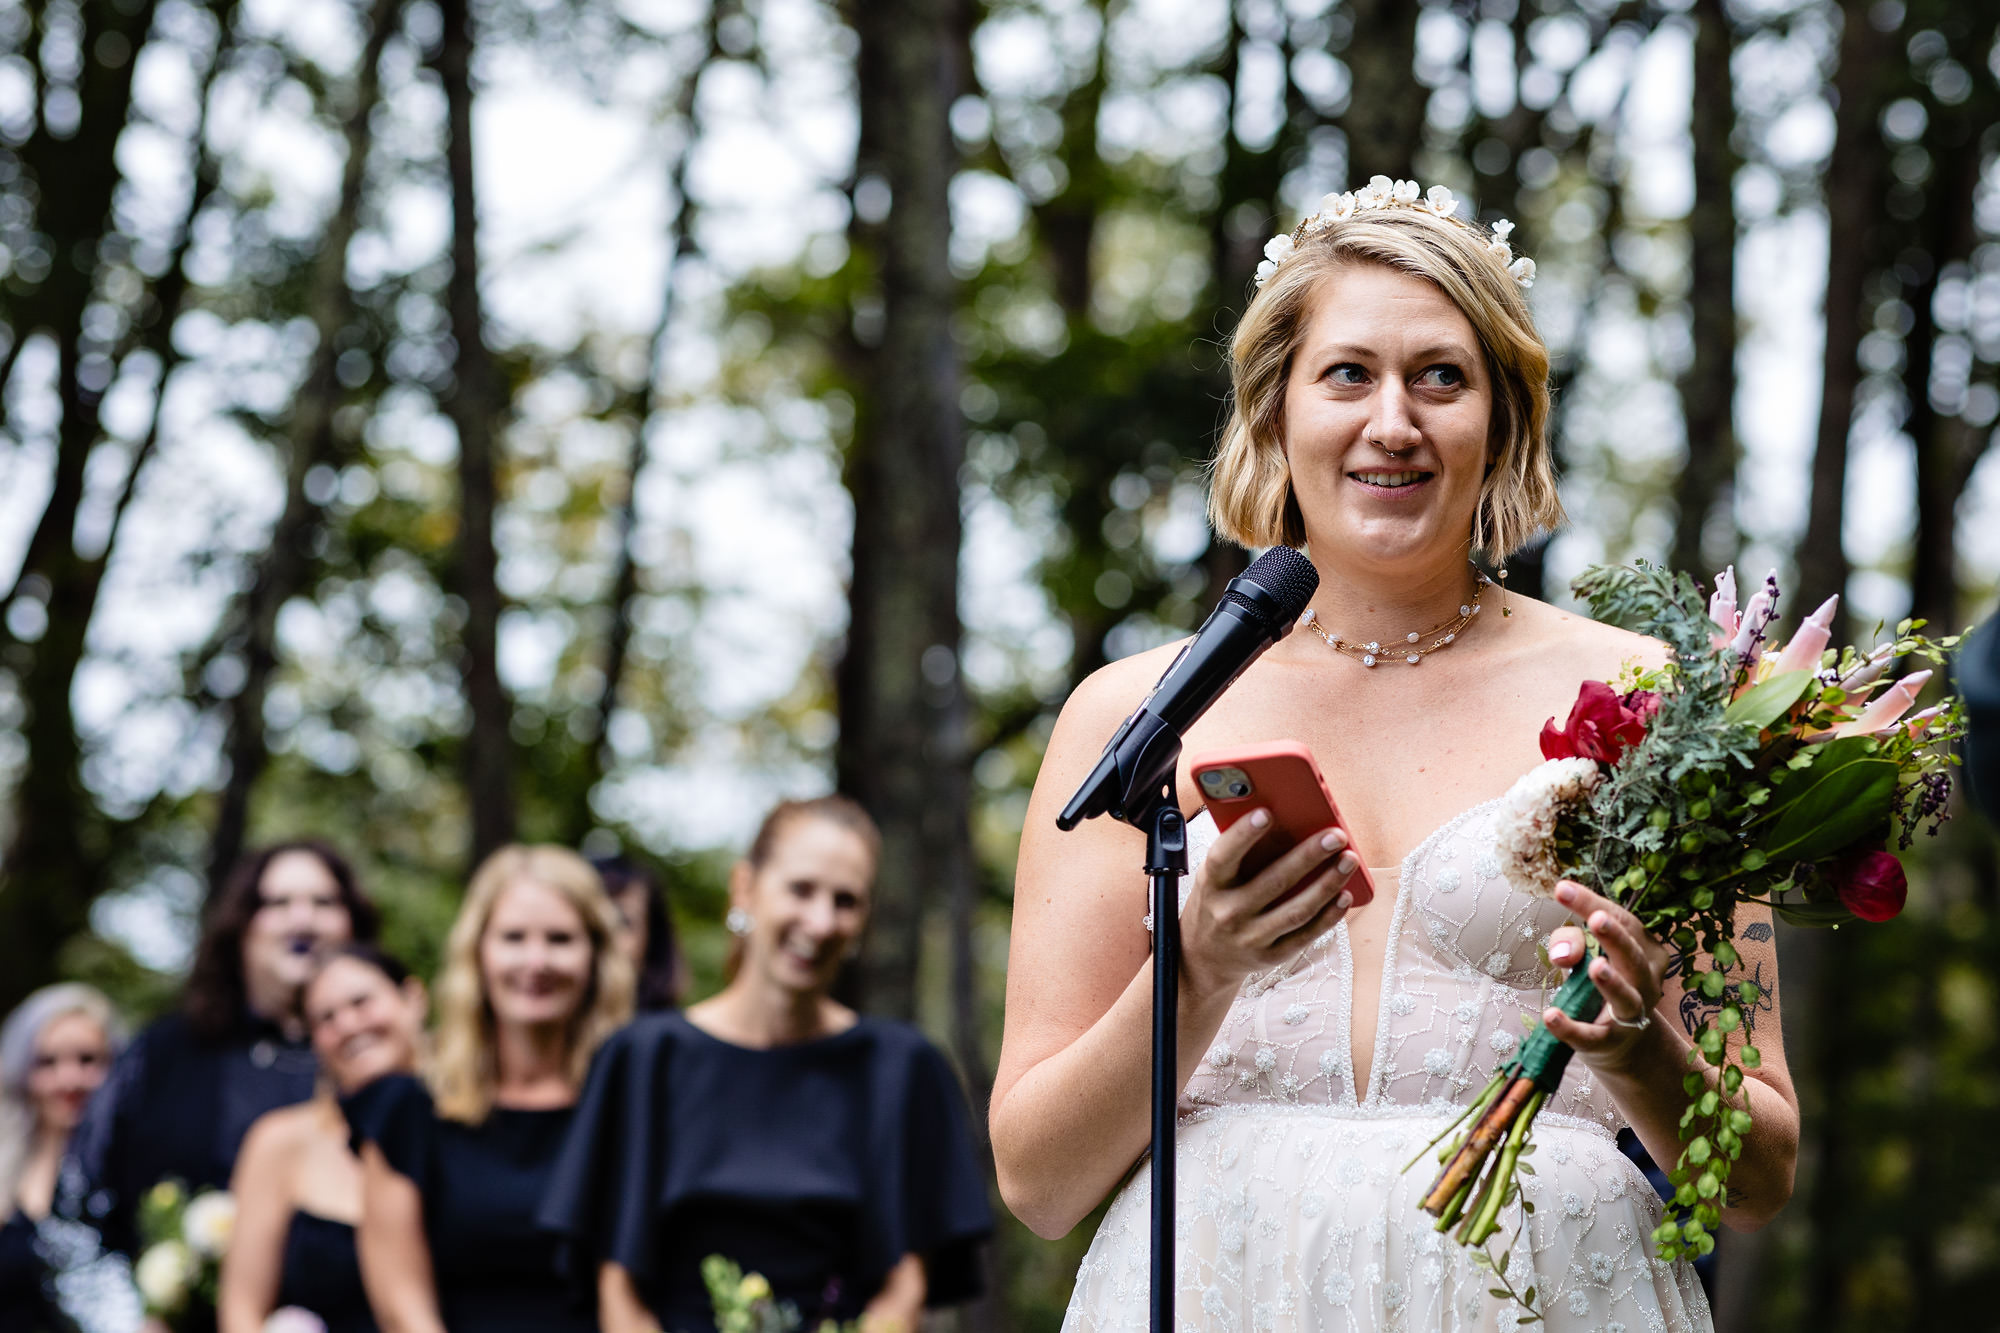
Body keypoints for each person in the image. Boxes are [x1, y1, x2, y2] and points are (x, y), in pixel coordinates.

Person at [990, 180, 1799, 1333]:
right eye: (1346, 374)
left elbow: (1757, 1177)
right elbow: (1037, 1182)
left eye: (1439, 377)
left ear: (1501, 418)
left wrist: (1631, 1047)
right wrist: (1198, 969)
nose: (1392, 422)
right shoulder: (1135, 714)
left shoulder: (1653, 703)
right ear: (1275, 411)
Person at [541, 797, 993, 1333]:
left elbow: (905, 1287)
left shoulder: (903, 1068)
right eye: (801, 890)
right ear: (745, 888)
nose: (821, 921)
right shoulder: (643, 1060)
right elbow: (617, 1285)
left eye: (845, 901)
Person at [345, 845, 633, 1333]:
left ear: (596, 957)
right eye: (514, 938)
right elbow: (403, 1307)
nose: (536, 961)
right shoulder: (409, 1111)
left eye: (560, 939)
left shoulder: (630, 1109)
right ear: (477, 953)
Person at [60, 842, 375, 1262]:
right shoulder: (163, 1052)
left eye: (324, 902)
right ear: (241, 924)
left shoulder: (382, 1061)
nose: (303, 920)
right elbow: (80, 1201)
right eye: (277, 903)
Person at [217, 945, 428, 1333]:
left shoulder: (470, 1126)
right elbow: (241, 1312)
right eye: (326, 1018)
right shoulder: (278, 1142)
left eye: (361, 1002)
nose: (348, 1024)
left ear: (413, 998)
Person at [0, 985, 124, 1333]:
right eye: (47, 1062)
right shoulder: (5, 1167)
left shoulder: (130, 1173)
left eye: (87, 1060)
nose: (68, 1079)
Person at [591, 855, 685, 1012]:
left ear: (653, 940)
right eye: (593, 920)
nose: (604, 935)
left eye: (623, 921)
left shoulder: (668, 1034)